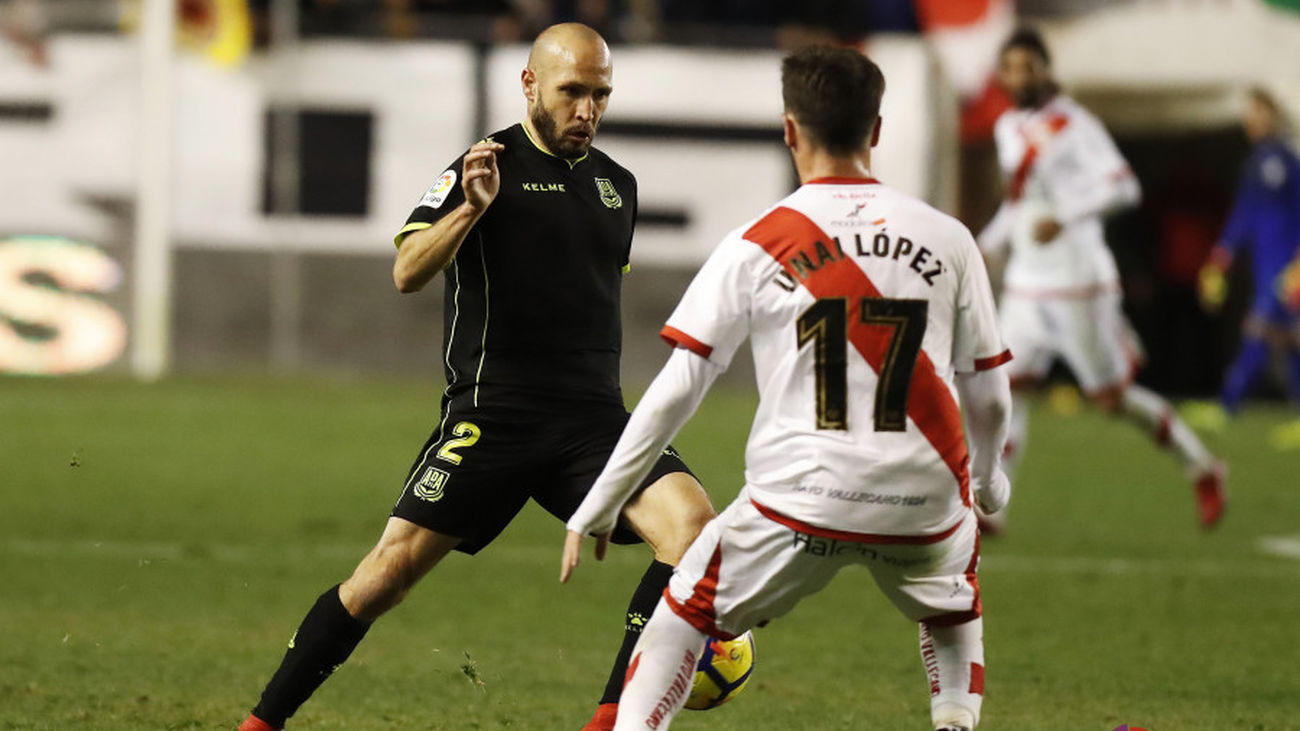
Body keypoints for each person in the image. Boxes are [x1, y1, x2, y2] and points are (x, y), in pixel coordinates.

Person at [237, 23, 716, 731]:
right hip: (495, 417)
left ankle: (613, 720)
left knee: (695, 531)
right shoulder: (484, 166)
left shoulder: (618, 186)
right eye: (572, 91)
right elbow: (406, 272)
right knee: (383, 577)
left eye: (600, 94)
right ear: (530, 84)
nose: (587, 110)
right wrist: (470, 208)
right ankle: (261, 723)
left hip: (594, 423)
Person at [561, 45, 1013, 731]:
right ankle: (953, 718)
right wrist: (988, 480)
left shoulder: (756, 242)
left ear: (790, 130)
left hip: (799, 499)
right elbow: (990, 393)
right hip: (922, 501)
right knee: (954, 611)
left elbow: (680, 386)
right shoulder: (948, 239)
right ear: (876, 130)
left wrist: (600, 500)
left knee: (680, 617)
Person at [976, 27, 1226, 529]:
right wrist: (983, 243)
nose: (1019, 76)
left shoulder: (1075, 124)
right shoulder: (1007, 126)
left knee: (1111, 399)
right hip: (1027, 283)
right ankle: (993, 506)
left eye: (1028, 66)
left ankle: (1202, 466)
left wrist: (1066, 217)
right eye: (1010, 68)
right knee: (1007, 389)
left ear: (1046, 69)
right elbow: (1019, 204)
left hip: (1079, 281)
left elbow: (1125, 187)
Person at [1191, 87, 1300, 451]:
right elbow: (1245, 214)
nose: (1250, 119)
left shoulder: (1284, 160)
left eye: (1257, 112)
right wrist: (1222, 253)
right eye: (1248, 113)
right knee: (1286, 339)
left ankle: (1227, 405)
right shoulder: (1255, 161)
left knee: (1259, 330)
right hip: (1265, 262)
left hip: (1286, 264)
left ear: (1273, 115)